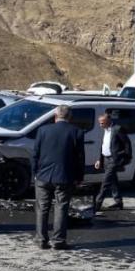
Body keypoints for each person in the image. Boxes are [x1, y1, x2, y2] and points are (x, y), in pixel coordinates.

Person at [31, 105, 85, 249]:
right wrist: (79, 177)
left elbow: (35, 154)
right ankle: (58, 241)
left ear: (55, 116)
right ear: (69, 117)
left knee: (42, 208)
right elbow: (80, 158)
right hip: (64, 176)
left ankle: (41, 240)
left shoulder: (43, 130)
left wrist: (34, 173)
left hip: (43, 176)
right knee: (61, 208)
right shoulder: (77, 132)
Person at [94, 113, 131, 212]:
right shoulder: (105, 130)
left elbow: (127, 144)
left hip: (114, 159)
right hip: (106, 159)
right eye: (100, 123)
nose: (100, 125)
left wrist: (125, 158)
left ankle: (97, 204)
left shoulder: (117, 129)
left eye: (102, 123)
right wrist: (99, 159)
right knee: (113, 181)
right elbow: (104, 145)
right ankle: (118, 202)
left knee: (105, 182)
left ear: (108, 121)